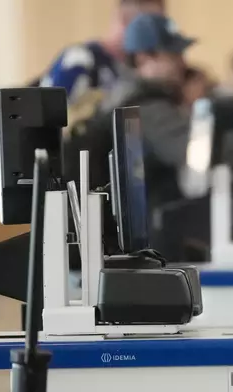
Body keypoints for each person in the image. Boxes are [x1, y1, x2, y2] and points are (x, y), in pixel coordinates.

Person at [62, 12, 195, 261]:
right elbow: (191, 154)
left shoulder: (118, 96)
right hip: (149, 247)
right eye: (173, 55)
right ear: (145, 58)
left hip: (122, 247)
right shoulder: (150, 107)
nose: (182, 63)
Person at [39, 0, 164, 103]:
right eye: (150, 27)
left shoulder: (133, 68)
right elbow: (47, 114)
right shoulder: (81, 60)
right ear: (124, 21)